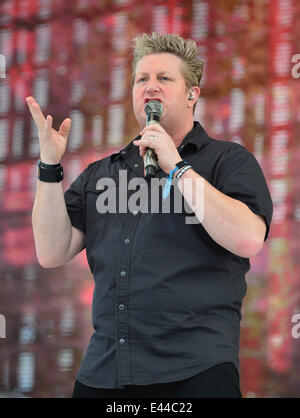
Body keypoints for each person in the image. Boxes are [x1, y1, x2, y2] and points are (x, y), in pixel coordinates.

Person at [27, 32, 273, 398]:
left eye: (164, 78)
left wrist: (176, 166)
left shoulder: (227, 162)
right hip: (104, 374)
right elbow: (50, 251)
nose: (149, 87)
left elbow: (248, 237)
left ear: (193, 94)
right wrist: (49, 166)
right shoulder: (102, 173)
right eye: (141, 79)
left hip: (195, 372)